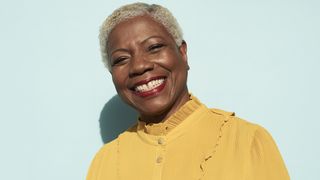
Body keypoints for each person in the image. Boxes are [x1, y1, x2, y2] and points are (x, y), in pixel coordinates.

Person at [87, 2, 290, 180]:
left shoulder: (246, 142)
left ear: (182, 53)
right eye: (121, 59)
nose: (139, 66)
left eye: (154, 47)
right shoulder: (104, 163)